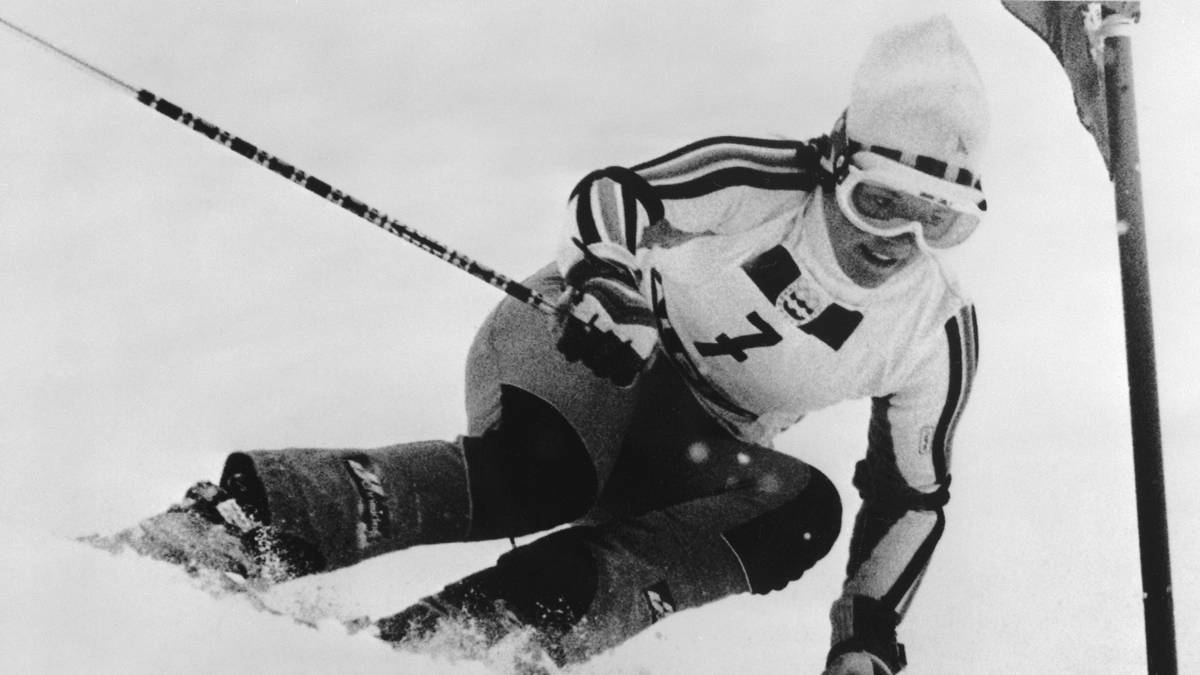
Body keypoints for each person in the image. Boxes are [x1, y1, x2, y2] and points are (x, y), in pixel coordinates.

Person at [97, 15, 986, 675]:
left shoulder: (933, 330)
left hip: (686, 446)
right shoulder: (763, 182)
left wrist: (868, 635)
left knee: (802, 509)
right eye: (879, 203)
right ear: (836, 165)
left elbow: (911, 496)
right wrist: (610, 283)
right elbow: (617, 194)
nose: (897, 241)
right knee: (546, 474)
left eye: (937, 220)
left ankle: (484, 634)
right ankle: (240, 525)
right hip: (586, 349)